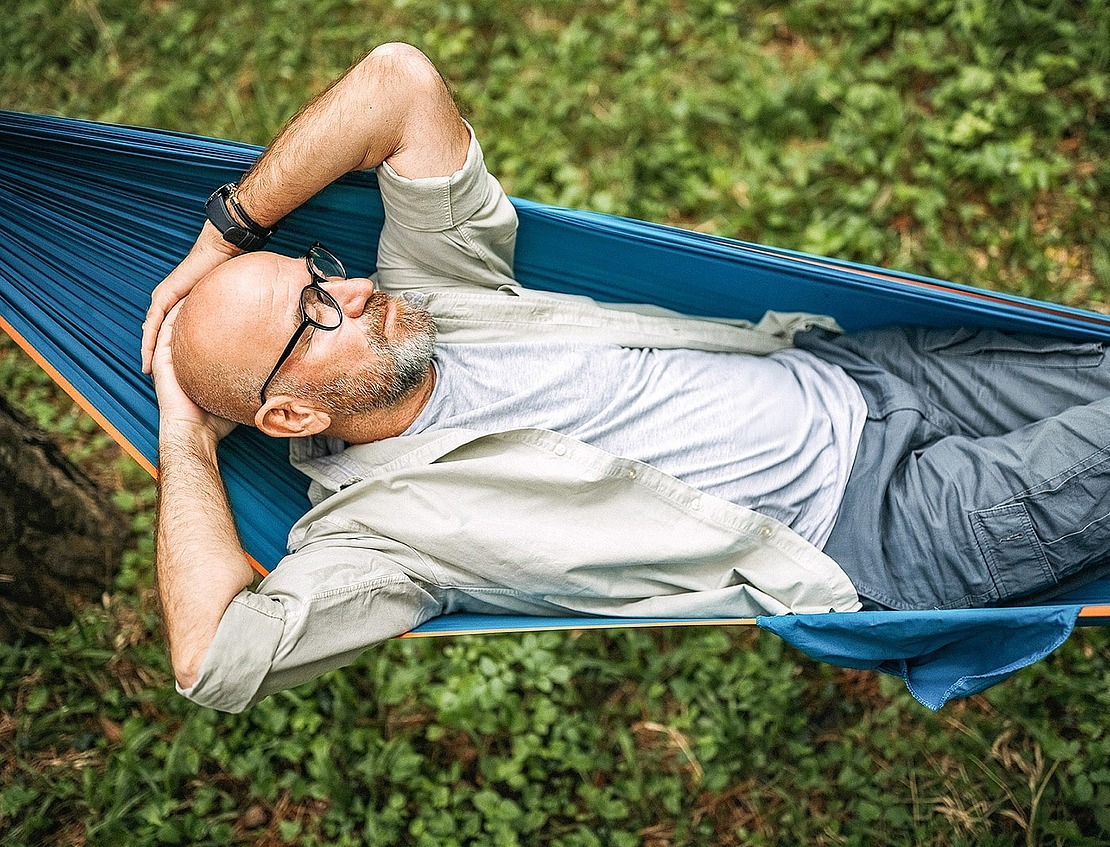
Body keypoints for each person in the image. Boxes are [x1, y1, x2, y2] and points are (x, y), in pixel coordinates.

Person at [146, 44, 1110, 713]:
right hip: (881, 527)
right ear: (286, 411)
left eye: (319, 272)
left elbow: (399, 83)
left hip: (862, 374)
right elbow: (213, 658)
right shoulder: (385, 540)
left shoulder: (437, 289)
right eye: (313, 316)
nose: (351, 289)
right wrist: (183, 432)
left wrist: (223, 232)